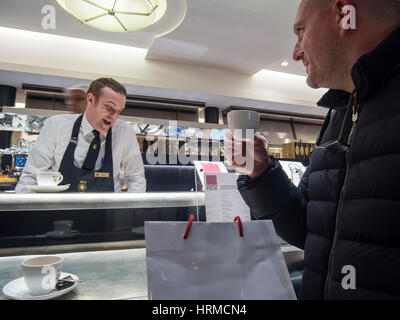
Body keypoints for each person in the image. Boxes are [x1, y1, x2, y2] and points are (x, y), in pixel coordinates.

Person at [225, 0, 400, 299]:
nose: (295, 52)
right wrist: (262, 173)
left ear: (345, 15)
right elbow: (310, 231)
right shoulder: (339, 112)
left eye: (301, 31)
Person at [16, 77, 146, 193]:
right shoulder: (56, 125)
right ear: (90, 99)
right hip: (59, 213)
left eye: (119, 111)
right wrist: (25, 213)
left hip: (107, 214)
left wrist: (133, 212)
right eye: (109, 108)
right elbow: (31, 177)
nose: (114, 117)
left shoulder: (124, 131)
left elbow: (135, 179)